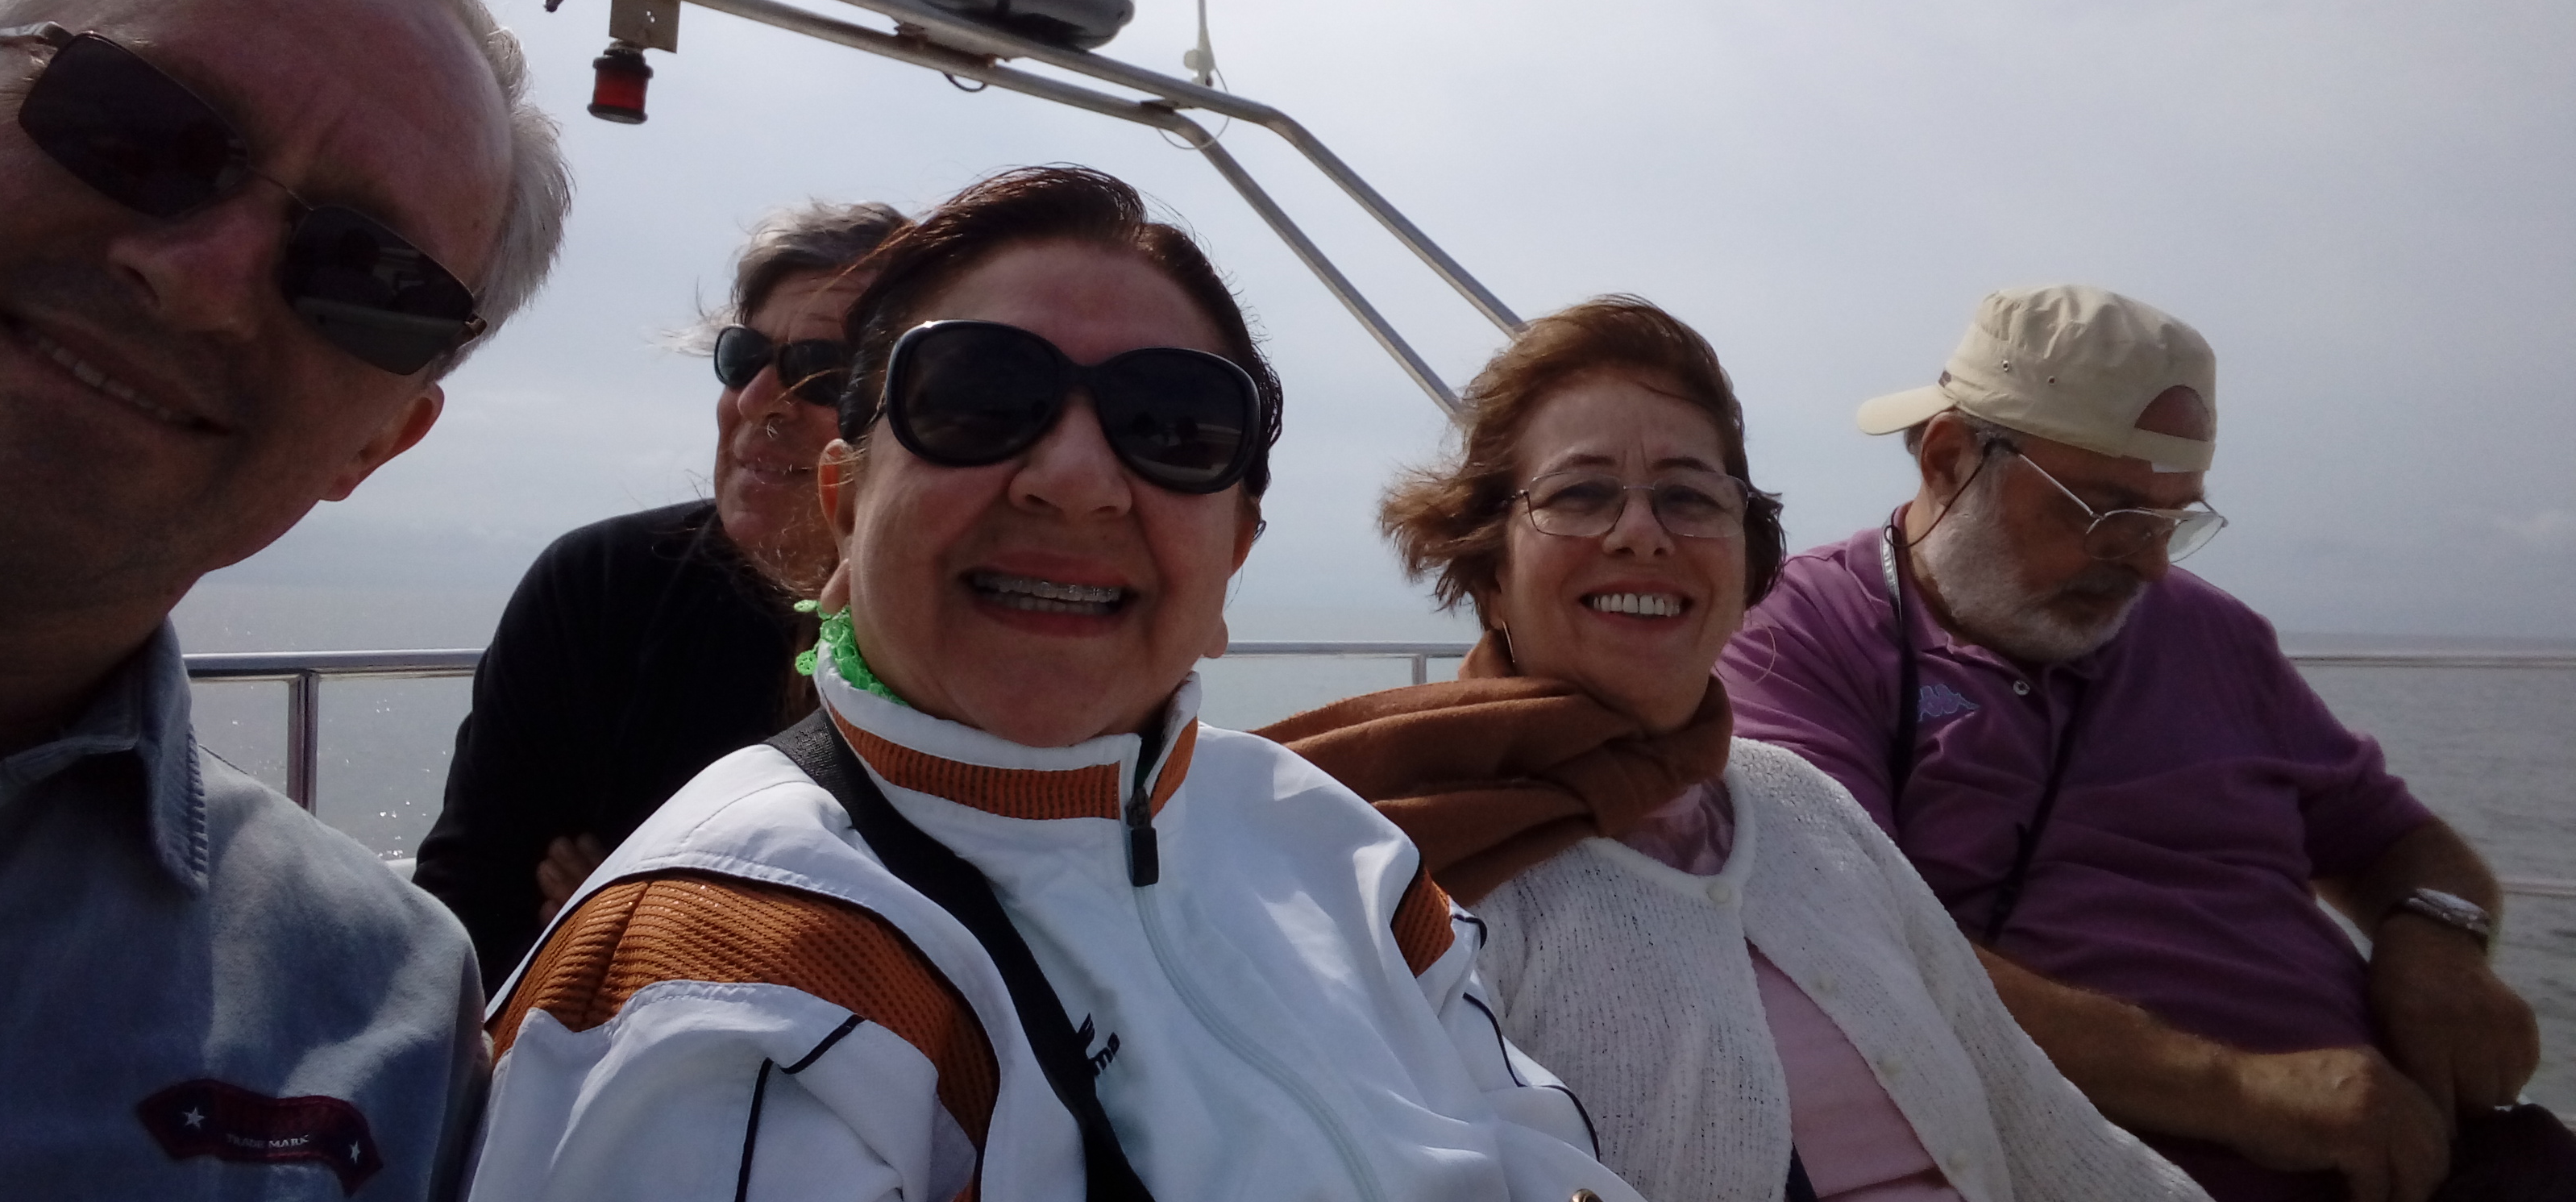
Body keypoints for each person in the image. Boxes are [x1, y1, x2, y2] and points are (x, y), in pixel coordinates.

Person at [463, 167, 1637, 1202]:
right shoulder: (739, 973)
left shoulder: (1341, 853)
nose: (1075, 478)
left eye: (1172, 425)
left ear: (1232, 557)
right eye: (978, 397)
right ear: (846, 507)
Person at [1265, 297, 2205, 1202]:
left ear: (1745, 561)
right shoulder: (1404, 872)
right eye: (1581, 494)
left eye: (1689, 496)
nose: (1642, 533)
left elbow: (2038, 1120)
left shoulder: (1803, 805)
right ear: (1490, 570)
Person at [0, 0, 570, 1199]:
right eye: (136, 129)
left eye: (367, 273)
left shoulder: (384, 1014)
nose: (205, 277)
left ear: (376, 444)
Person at [1723, 284, 2570, 1202]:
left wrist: (2438, 943)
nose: (2152, 564)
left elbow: (2400, 843)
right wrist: (2243, 1093)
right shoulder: (1795, 636)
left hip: (2402, 1150)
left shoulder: (2213, 632)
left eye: (2174, 521)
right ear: (1950, 457)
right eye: (2108, 513)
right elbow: (1850, 946)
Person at [416, 200, 908, 982]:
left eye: (821, 372)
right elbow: (472, 909)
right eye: (744, 357)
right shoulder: (601, 589)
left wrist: (635, 922)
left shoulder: (953, 640)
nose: (756, 400)